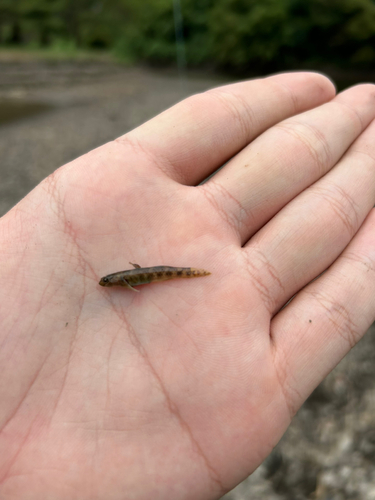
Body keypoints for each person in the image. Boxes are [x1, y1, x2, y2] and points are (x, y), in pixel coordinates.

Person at [0, 72, 374, 500]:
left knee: (174, 272)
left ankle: (194, 272)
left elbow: (135, 280)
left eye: (108, 281)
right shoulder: (120, 283)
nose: (107, 284)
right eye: (108, 281)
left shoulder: (124, 283)